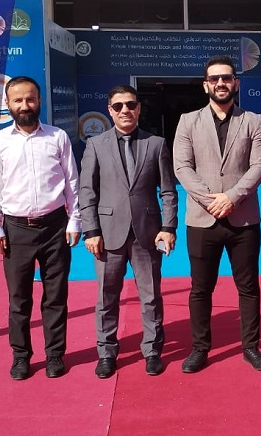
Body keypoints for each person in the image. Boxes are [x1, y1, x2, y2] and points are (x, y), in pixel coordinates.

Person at [173, 55, 261, 373]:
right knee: (201, 288)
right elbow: (182, 167)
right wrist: (211, 201)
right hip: (202, 220)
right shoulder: (188, 121)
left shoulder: (252, 120)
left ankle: (251, 347)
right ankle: (200, 349)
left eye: (226, 78)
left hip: (243, 218)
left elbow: (260, 165)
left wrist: (232, 197)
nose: (220, 83)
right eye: (214, 79)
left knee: (248, 287)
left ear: (235, 83)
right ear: (206, 85)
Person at [0, 76, 81, 380]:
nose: (25, 105)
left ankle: (55, 355)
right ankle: (21, 356)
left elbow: (72, 183)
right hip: (16, 231)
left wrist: (75, 220)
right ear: (8, 104)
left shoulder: (57, 137)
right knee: (19, 299)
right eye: (18, 100)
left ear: (39, 101)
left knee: (55, 296)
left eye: (30, 99)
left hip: (55, 227)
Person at [79, 85, 178, 378]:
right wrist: (90, 230)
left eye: (131, 105)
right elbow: (87, 191)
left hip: (147, 233)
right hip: (107, 234)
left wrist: (168, 226)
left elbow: (168, 191)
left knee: (151, 296)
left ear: (139, 108)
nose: (125, 110)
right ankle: (106, 353)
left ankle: (152, 350)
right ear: (110, 110)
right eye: (119, 106)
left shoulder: (156, 144)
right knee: (106, 297)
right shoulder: (95, 145)